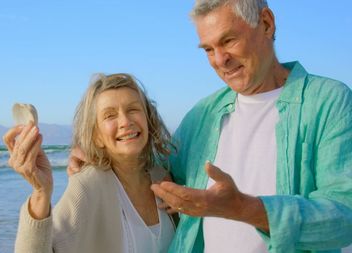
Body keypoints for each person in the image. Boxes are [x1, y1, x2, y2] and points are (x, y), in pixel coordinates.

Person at [145, 0, 352, 252]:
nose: (220, 60)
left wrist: (242, 208)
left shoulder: (329, 101)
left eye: (229, 40)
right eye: (208, 49)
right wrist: (91, 158)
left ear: (266, 23)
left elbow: (345, 215)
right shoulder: (203, 113)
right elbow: (154, 165)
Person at [3, 73, 177, 253]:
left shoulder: (163, 179)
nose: (125, 121)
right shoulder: (88, 184)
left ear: (148, 120)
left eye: (133, 109)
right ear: (97, 136)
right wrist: (41, 192)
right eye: (110, 115)